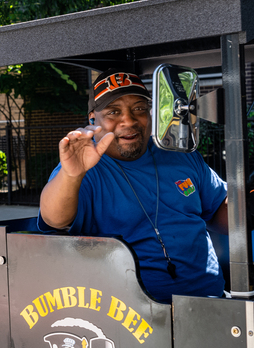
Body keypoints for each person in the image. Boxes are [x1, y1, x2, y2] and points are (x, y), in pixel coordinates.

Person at [38, 70, 227, 303]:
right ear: (92, 119)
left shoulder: (179, 153)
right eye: (113, 112)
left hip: (212, 301)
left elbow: (220, 208)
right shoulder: (82, 165)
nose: (128, 120)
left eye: (138, 108)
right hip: (135, 318)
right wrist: (71, 174)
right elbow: (54, 219)